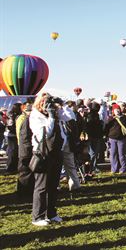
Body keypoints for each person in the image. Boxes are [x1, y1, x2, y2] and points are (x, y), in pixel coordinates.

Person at [30, 94, 64, 227]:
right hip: (43, 153)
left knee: (53, 186)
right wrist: (50, 117)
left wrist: (60, 108)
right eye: (46, 103)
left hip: (55, 152)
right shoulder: (35, 116)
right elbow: (46, 133)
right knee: (42, 186)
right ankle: (37, 216)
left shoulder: (54, 116)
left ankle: (51, 213)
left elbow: (63, 126)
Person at [58, 101, 81, 189]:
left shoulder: (63, 114)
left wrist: (64, 106)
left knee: (70, 165)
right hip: (57, 143)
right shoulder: (47, 116)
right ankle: (56, 186)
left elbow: (70, 117)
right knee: (56, 166)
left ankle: (74, 185)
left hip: (67, 142)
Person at [104, 105, 126, 174]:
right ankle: (114, 169)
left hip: (122, 138)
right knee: (113, 154)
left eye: (118, 109)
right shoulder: (111, 118)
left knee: (121, 154)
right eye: (115, 109)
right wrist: (105, 136)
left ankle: (122, 168)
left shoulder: (124, 118)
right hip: (112, 138)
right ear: (113, 111)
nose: (117, 111)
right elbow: (106, 128)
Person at [16, 102, 34, 198]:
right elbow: (25, 137)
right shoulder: (26, 120)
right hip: (25, 151)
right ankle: (24, 193)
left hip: (24, 149)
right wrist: (29, 149)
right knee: (25, 172)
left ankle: (25, 192)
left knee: (26, 172)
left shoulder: (25, 119)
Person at [4, 103, 21, 173]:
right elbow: (10, 126)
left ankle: (13, 167)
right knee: (13, 152)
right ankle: (10, 168)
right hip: (12, 135)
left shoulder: (11, 115)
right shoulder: (12, 116)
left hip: (12, 135)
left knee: (13, 152)